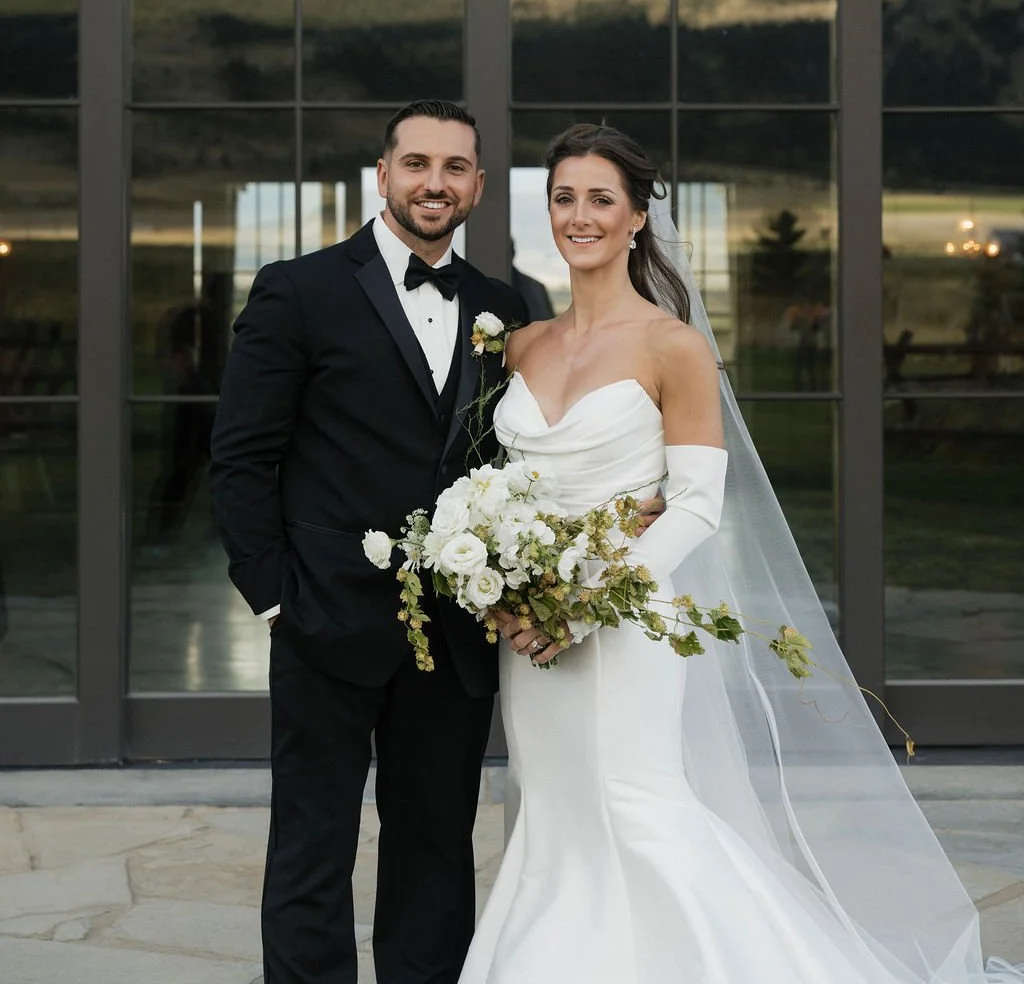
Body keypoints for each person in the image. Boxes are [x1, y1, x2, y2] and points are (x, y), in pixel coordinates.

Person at [463, 122, 1021, 984]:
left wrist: (588, 600)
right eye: (564, 197)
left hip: (626, 627)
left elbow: (693, 505)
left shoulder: (672, 345)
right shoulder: (524, 344)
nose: (580, 216)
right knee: (555, 814)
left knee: (637, 809)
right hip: (529, 640)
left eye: (601, 199)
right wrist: (503, 580)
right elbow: (510, 491)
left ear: (638, 217)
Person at [209, 101, 523, 984]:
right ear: (382, 175)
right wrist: (275, 599)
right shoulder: (298, 289)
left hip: (454, 638)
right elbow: (240, 457)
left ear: (478, 187)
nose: (436, 183)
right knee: (312, 849)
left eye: (455, 168)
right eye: (417, 163)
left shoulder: (505, 307)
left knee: (435, 855)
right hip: (324, 620)